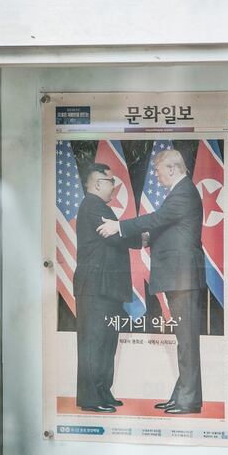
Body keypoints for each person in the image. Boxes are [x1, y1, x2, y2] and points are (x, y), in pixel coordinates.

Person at [97, 149, 206, 414]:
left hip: (182, 278)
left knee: (187, 341)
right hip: (179, 277)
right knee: (184, 340)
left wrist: (119, 227)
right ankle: (183, 396)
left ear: (172, 168)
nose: (156, 176)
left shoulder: (184, 192)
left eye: (158, 170)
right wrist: (147, 239)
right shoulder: (181, 192)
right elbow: (169, 227)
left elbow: (158, 219)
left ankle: (189, 400)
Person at [73, 163, 139, 413]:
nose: (114, 187)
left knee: (106, 342)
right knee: (94, 343)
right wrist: (144, 237)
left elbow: (117, 235)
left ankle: (102, 391)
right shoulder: (93, 205)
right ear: (99, 183)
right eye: (111, 182)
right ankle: (91, 398)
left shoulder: (98, 206)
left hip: (105, 287)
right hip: (95, 287)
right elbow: (116, 236)